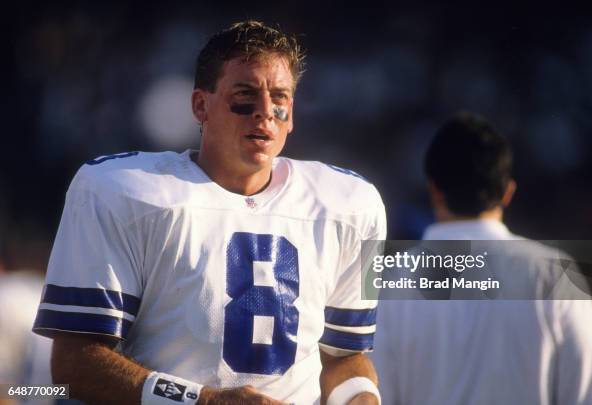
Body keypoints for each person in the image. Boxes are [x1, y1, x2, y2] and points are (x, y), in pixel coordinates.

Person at [32, 21, 386, 405]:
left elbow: (344, 356)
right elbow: (72, 368)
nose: (265, 113)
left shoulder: (353, 204)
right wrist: (203, 401)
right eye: (245, 95)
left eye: (279, 97)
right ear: (201, 105)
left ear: (293, 112)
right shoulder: (122, 189)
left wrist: (361, 399)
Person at [372, 112, 592, 404]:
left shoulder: (388, 279)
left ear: (433, 189)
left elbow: (369, 392)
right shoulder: (555, 273)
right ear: (508, 192)